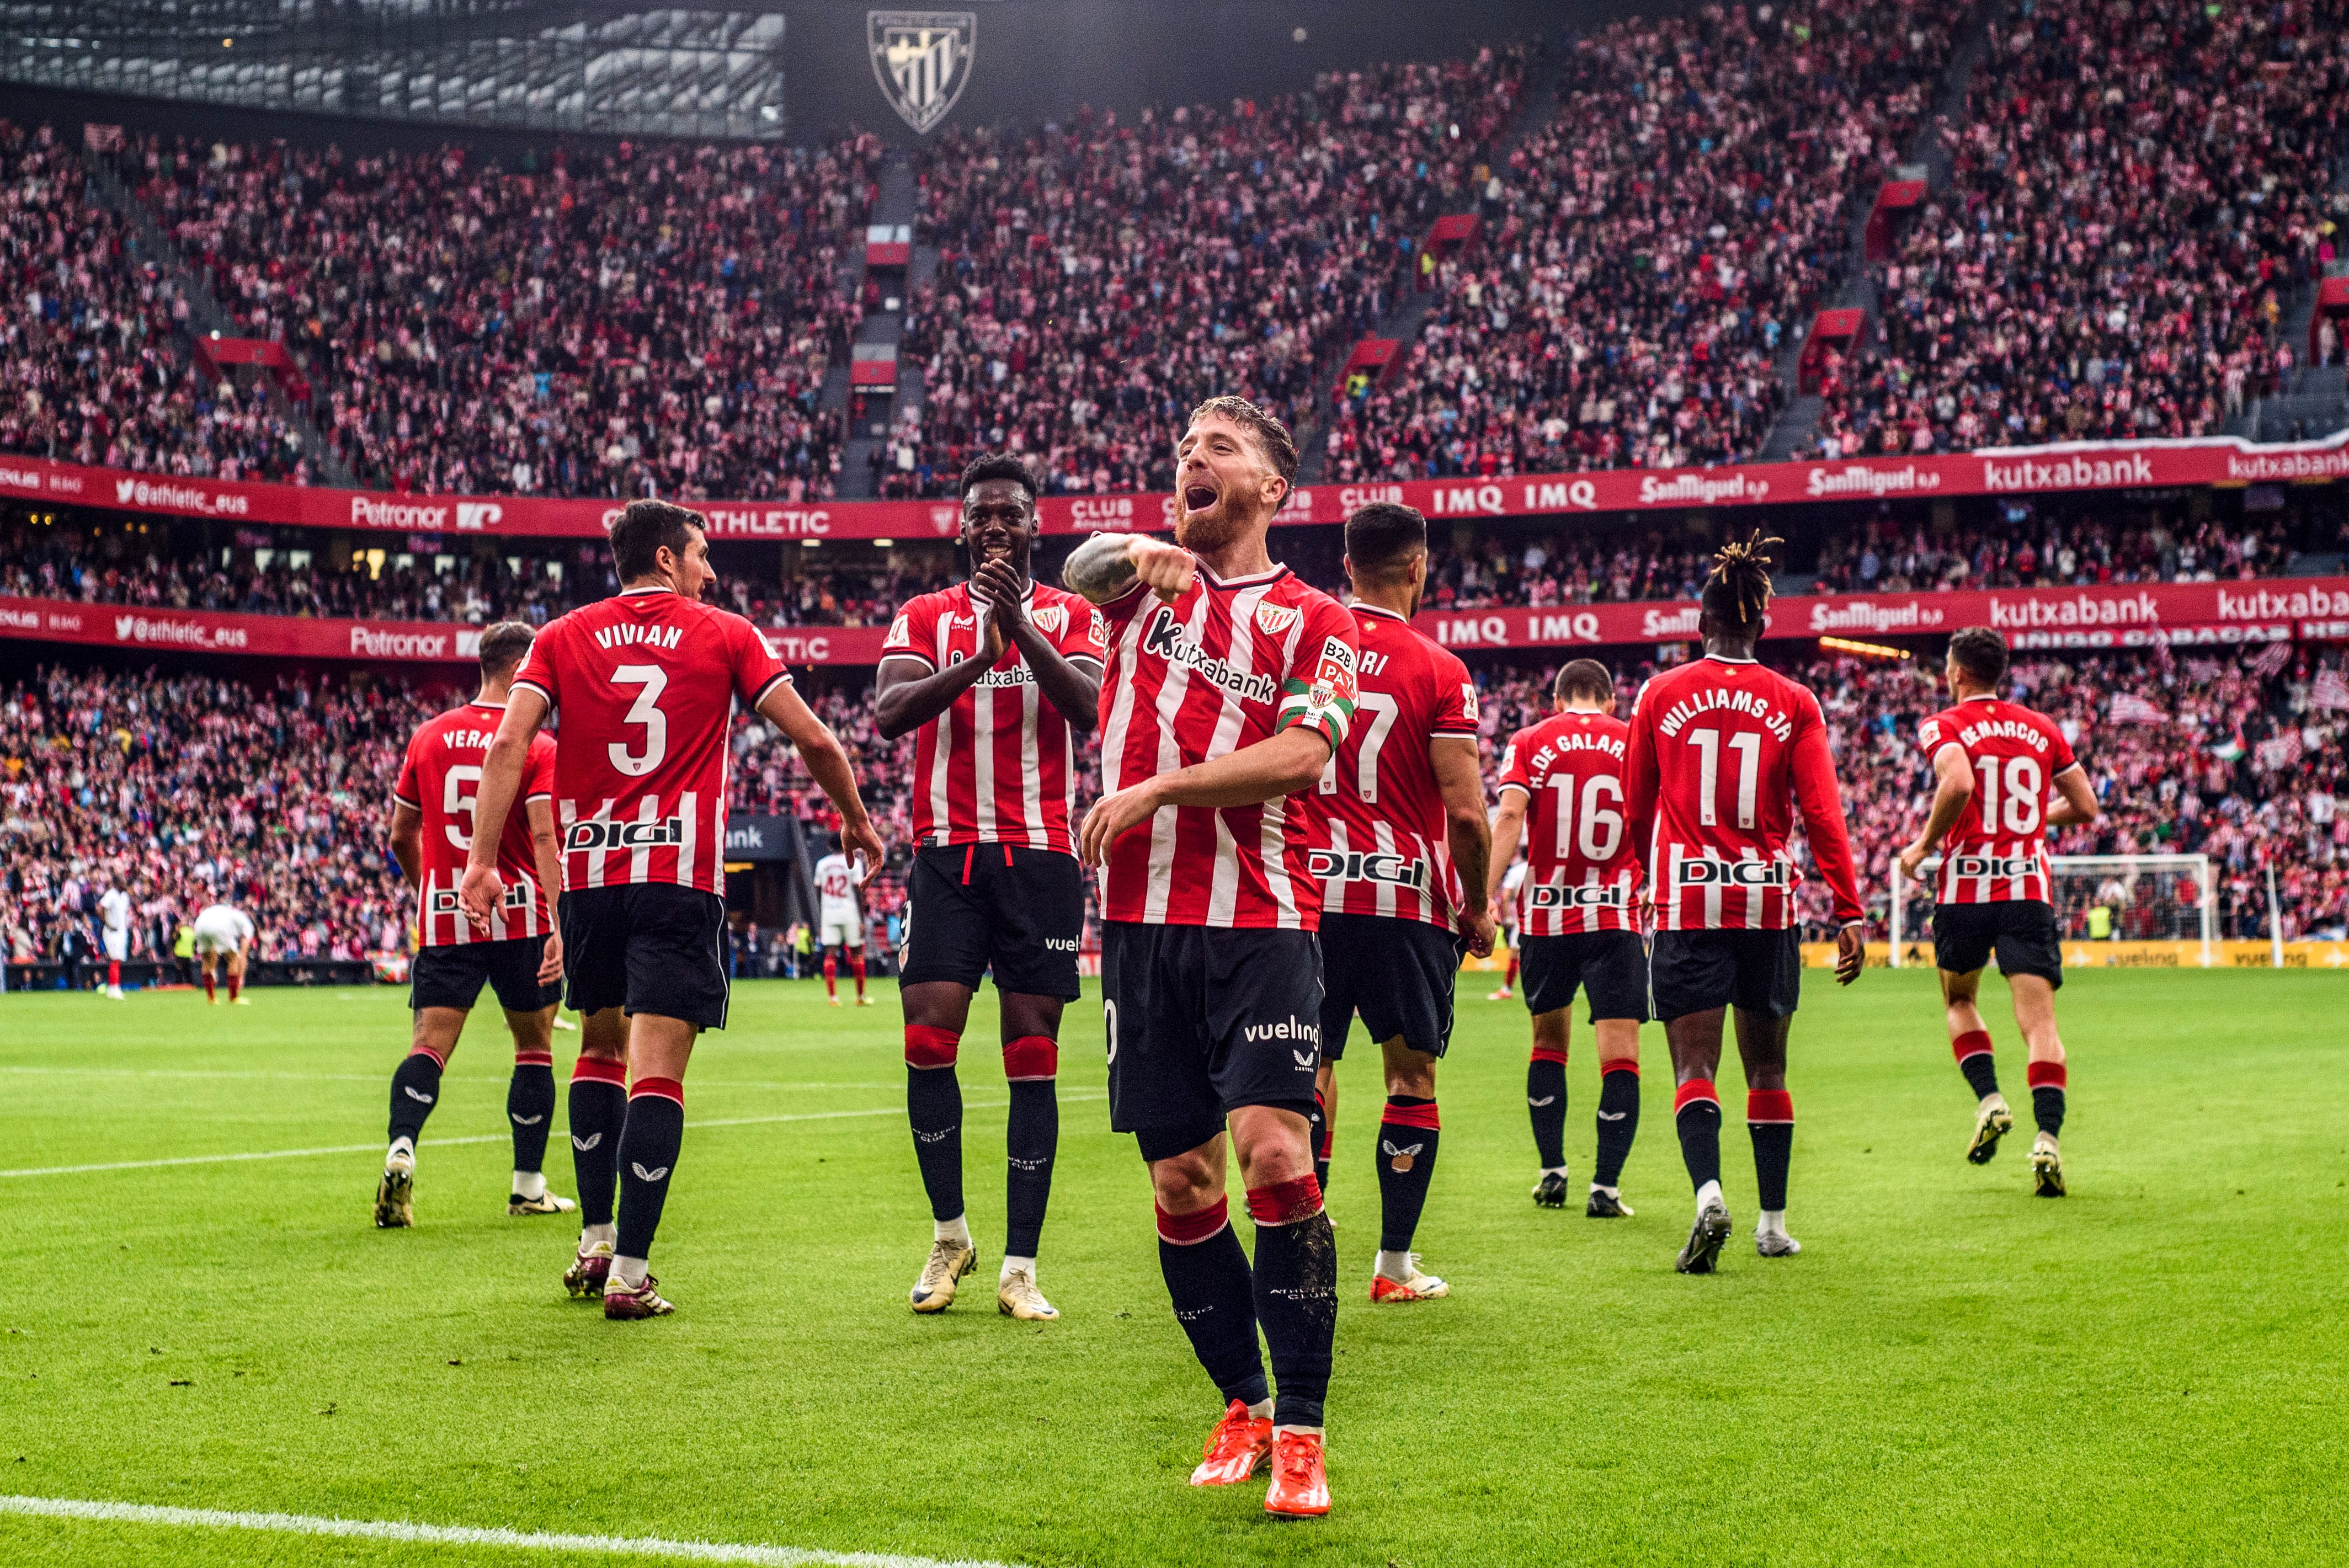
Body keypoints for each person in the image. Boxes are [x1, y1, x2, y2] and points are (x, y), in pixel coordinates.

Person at [460, 499, 883, 1321]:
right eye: (701, 556)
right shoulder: (724, 631)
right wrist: (858, 819)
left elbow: (508, 743)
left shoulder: (558, 636)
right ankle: (631, 1272)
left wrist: (481, 861)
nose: (711, 571)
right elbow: (818, 740)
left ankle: (593, 1239)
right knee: (659, 1069)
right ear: (664, 557)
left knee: (599, 1048)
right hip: (676, 873)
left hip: (587, 877)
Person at [1063, 394, 1356, 1518]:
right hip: (1139, 934)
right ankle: (1238, 1397)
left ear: (1271, 488)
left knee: (1275, 1153)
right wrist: (1135, 548)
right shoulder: (1139, 584)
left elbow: (1301, 752)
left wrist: (1160, 787)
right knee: (1182, 1182)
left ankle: (1300, 1429)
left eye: (1217, 449)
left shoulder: (1315, 619)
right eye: (1182, 449)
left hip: (1263, 920)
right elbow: (1078, 568)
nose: (1191, 460)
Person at [875, 452, 1105, 1322]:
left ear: (1035, 523)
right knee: (927, 1041)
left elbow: (1088, 707)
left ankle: (1020, 1265)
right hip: (946, 855)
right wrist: (983, 653)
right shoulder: (925, 615)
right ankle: (949, 1235)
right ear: (963, 526)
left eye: (1011, 512)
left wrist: (1024, 631)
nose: (996, 525)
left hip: (1041, 856)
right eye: (981, 514)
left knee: (1031, 1059)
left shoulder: (1076, 613)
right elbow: (891, 712)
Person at [1623, 534, 1865, 1274]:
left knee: (1694, 1064)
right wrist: (1849, 907)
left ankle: (1705, 1194)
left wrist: (1645, 875)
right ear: (1761, 625)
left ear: (1700, 626)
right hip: (1768, 902)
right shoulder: (1795, 700)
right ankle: (1771, 1222)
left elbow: (1635, 805)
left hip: (1689, 900)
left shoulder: (1660, 693)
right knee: (1768, 1070)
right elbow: (1822, 812)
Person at [1306, 501, 1493, 1304]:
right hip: (1402, 900)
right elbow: (1466, 813)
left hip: (1307, 895)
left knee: (1303, 1067)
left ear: (1346, 564)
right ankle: (1393, 1266)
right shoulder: (1440, 669)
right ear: (1417, 568)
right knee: (1410, 1078)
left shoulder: (1305, 648)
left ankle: (1303, 1239)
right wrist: (1478, 905)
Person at [375, 621, 577, 1230]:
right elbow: (545, 833)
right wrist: (561, 918)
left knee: (428, 1047)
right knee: (535, 1047)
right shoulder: (537, 743)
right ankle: (527, 1185)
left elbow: (399, 836)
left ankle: (402, 1145)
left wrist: (434, 893)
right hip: (522, 912)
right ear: (522, 672)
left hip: (448, 911)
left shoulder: (429, 736)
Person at [1898, 626, 2100, 1198]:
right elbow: (2085, 806)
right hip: (2026, 890)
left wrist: (1923, 845)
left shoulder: (1944, 724)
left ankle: (1989, 1100)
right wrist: (2033, 817)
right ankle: (2048, 1141)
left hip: (1965, 890)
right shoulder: (2042, 727)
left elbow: (1958, 782)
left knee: (1960, 999)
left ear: (1959, 673)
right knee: (2040, 1024)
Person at [1487, 659, 1649, 1218]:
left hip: (1547, 918)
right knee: (1621, 1056)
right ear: (1609, 699)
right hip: (1615, 918)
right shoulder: (1633, 740)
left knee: (1548, 1045)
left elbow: (1510, 814)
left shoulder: (1530, 739)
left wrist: (1485, 894)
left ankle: (1552, 1172)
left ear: (1557, 700)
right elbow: (1656, 817)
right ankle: (1605, 1189)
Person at [810, 834, 870, 1006]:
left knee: (830, 954)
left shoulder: (822, 864)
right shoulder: (854, 863)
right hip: (850, 912)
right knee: (857, 953)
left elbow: (818, 893)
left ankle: (833, 998)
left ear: (829, 845)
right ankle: (860, 997)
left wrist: (820, 918)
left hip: (829, 913)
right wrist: (862, 919)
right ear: (845, 844)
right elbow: (859, 891)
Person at [190, 902, 256, 1004]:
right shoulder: (249, 927)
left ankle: (211, 998)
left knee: (207, 960)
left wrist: (213, 969)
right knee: (234, 958)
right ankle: (234, 997)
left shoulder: (231, 913)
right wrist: (241, 977)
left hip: (200, 923)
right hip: (219, 925)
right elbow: (243, 955)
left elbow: (213, 951)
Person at [1487, 855, 1527, 1001]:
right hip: (1545, 917)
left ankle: (1507, 989)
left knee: (1515, 954)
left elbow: (1505, 896)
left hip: (1524, 918)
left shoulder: (1516, 871)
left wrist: (1508, 917)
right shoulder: (1542, 868)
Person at [97, 874, 131, 999]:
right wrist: (106, 922)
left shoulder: (125, 897)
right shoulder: (111, 894)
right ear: (117, 883)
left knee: (119, 960)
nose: (125, 884)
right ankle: (114, 988)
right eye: (122, 882)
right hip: (112, 931)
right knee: (115, 959)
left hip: (122, 932)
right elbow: (100, 907)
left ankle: (114, 987)